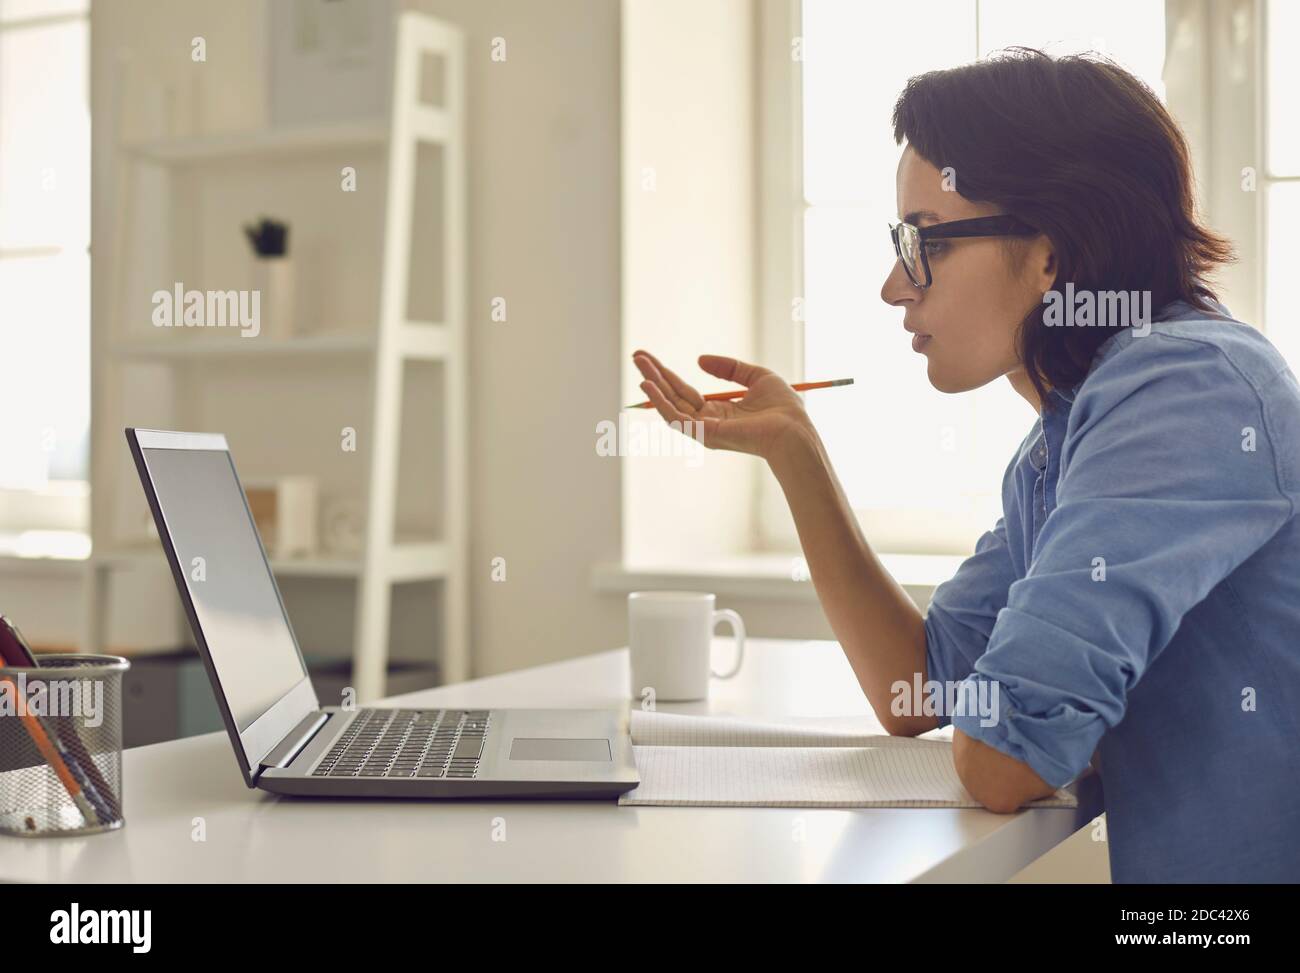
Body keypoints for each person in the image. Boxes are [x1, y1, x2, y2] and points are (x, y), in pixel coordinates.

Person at [631, 48, 1300, 883]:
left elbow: (1002, 760)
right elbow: (916, 684)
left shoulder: (1187, 389)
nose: (892, 286)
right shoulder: (1064, 436)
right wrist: (794, 451)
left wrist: (1013, 712)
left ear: (1053, 256)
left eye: (922, 243)